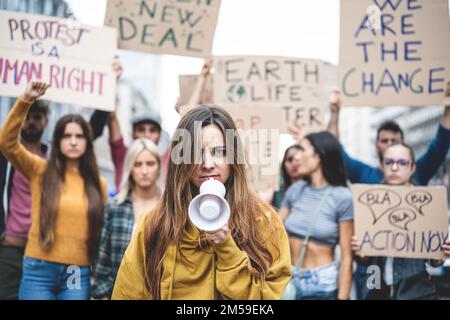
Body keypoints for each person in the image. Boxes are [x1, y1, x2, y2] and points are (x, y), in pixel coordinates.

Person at [111, 105, 291, 300]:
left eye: (219, 151)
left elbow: (268, 298)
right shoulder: (155, 223)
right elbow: (129, 292)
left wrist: (226, 248)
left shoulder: (262, 220)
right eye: (196, 153)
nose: (207, 163)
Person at [0, 59, 120, 300]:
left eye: (79, 136)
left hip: (77, 272)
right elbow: (7, 143)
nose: (73, 141)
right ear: (58, 140)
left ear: (87, 141)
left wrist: (111, 82)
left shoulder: (99, 183)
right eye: (67, 136)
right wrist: (25, 99)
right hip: (38, 268)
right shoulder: (40, 169)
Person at [352, 143, 450, 300]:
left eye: (402, 162)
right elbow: (365, 260)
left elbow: (434, 262)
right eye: (389, 162)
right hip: (376, 291)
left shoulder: (427, 204)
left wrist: (439, 256)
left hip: (417, 293)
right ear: (381, 166)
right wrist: (361, 254)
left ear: (412, 168)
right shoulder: (368, 201)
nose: (395, 167)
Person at [327, 81, 450, 185]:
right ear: (376, 146)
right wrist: (334, 113)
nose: (390, 144)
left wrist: (448, 108)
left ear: (403, 144)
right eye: (384, 141)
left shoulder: (418, 172)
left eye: (395, 141)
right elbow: (335, 152)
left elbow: (440, 147)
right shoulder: (363, 174)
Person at [279, 131, 354, 300]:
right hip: (290, 282)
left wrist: (342, 297)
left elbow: (347, 256)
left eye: (302, 150)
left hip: (323, 284)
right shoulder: (295, 190)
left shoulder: (342, 196)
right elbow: (273, 228)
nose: (297, 157)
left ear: (319, 155)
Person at [91, 138, 161, 299]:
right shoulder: (115, 208)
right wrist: (103, 295)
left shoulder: (169, 208)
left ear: (158, 167)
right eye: (137, 164)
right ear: (130, 168)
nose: (144, 171)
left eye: (150, 164)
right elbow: (102, 259)